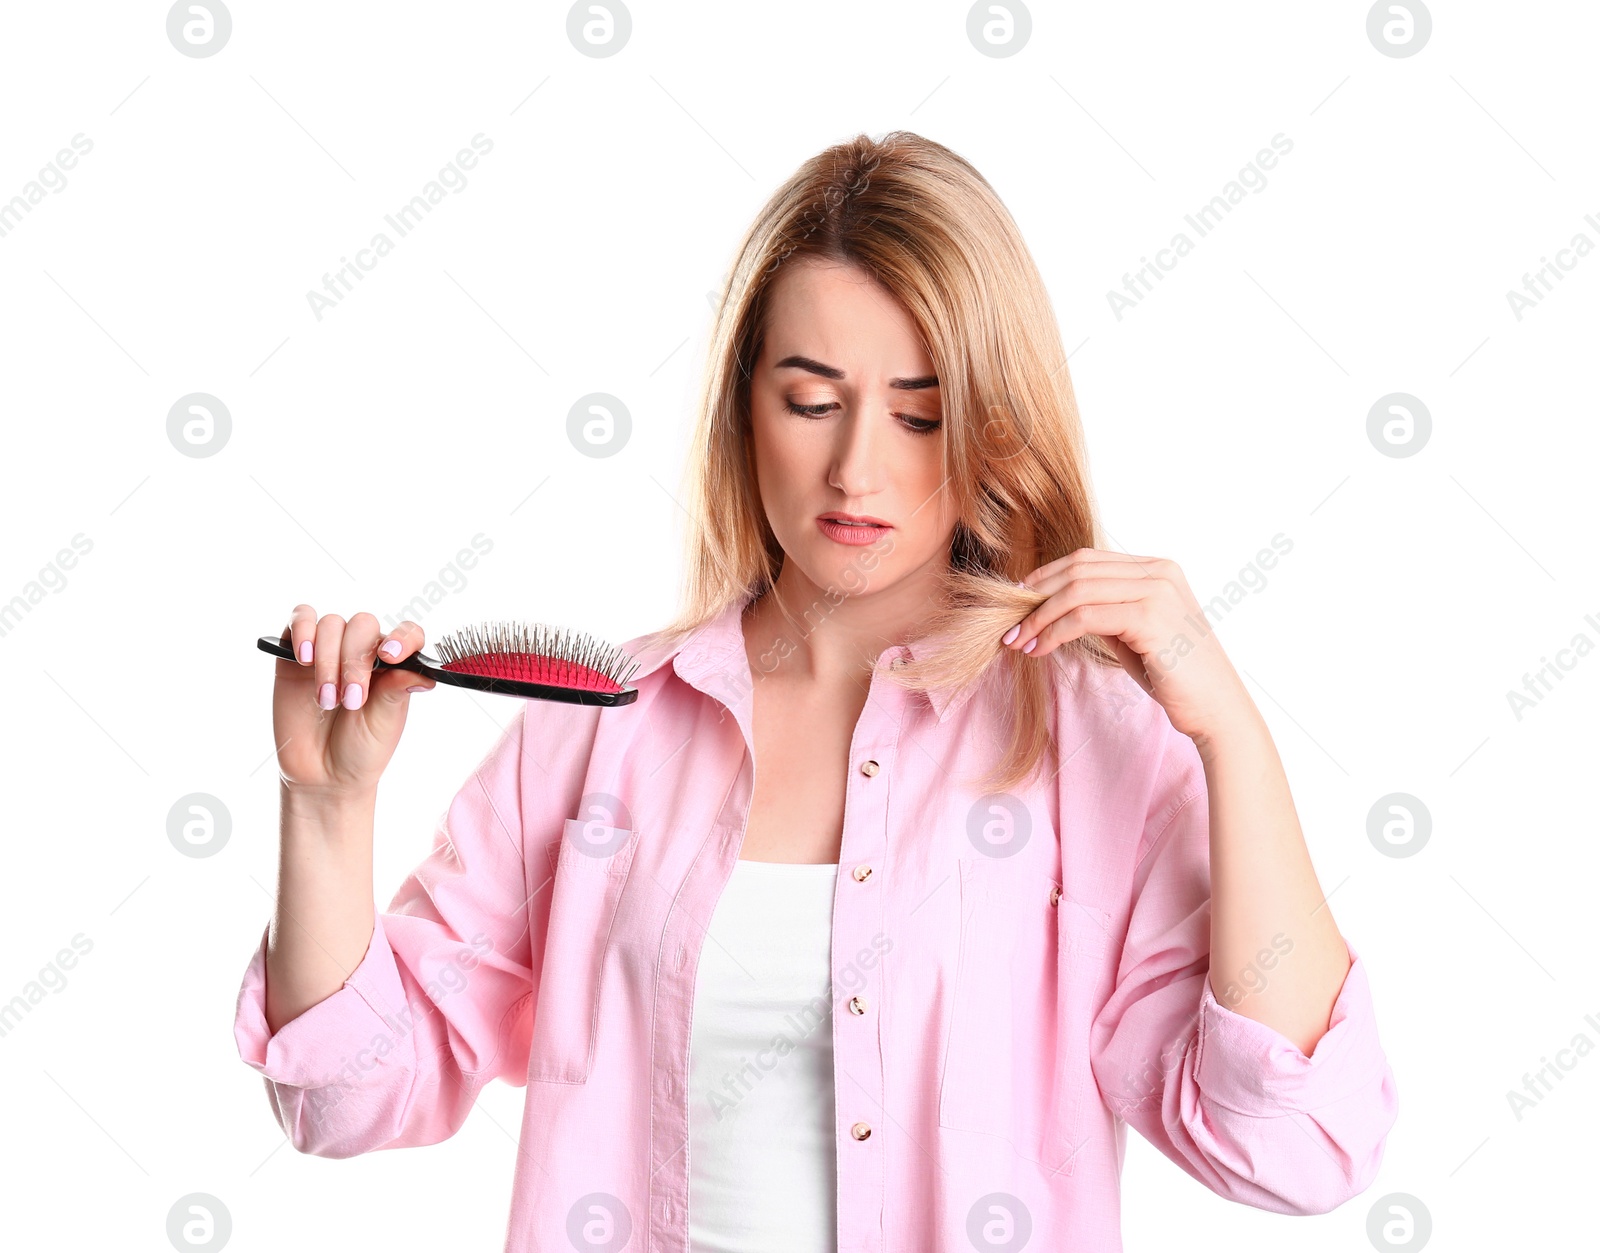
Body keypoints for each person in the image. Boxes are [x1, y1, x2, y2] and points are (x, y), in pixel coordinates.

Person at [234, 130, 1398, 1253]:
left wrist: (1232, 736)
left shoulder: (1091, 750)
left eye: (920, 411)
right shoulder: (594, 739)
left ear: (993, 423)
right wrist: (326, 804)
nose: (857, 469)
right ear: (745, 406)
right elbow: (340, 1101)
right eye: (810, 401)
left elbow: (1294, 1145)